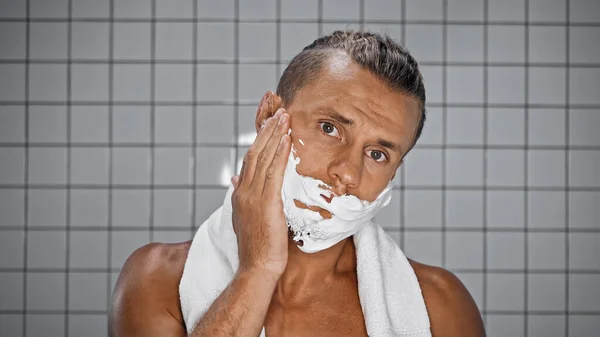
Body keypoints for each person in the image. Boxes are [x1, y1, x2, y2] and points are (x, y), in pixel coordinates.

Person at [109, 30, 486, 337]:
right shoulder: (156, 281)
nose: (348, 174)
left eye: (377, 154)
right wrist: (257, 270)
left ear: (394, 172)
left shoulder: (441, 308)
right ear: (269, 117)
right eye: (330, 128)